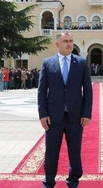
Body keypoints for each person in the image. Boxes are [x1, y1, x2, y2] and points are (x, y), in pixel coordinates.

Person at [38, 32, 93, 188]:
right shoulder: (48, 63)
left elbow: (88, 90)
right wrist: (43, 114)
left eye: (71, 41)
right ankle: (49, 181)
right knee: (51, 152)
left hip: (75, 117)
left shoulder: (81, 63)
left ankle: (73, 181)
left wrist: (86, 113)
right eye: (65, 41)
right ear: (57, 44)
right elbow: (42, 91)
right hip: (53, 117)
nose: (69, 44)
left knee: (74, 152)